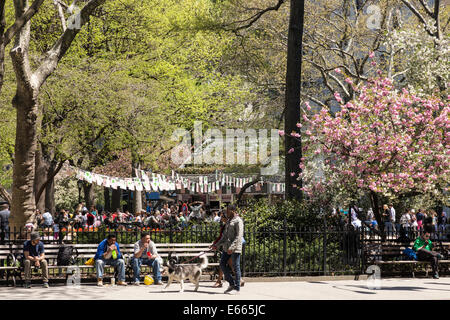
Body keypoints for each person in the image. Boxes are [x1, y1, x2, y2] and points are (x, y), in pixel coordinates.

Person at [211, 204, 244, 295]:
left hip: (235, 248)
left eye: (228, 211)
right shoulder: (229, 221)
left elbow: (239, 236)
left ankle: (237, 288)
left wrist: (232, 247)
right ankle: (231, 284)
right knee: (222, 264)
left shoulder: (238, 221)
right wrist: (216, 245)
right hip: (226, 248)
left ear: (233, 211)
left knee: (236, 267)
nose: (226, 213)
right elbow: (224, 237)